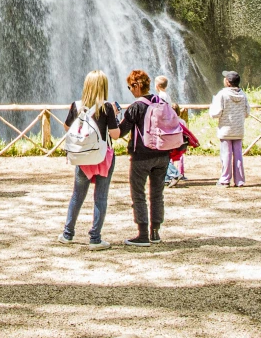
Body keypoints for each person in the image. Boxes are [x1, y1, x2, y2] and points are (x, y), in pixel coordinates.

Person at [58, 70, 120, 250]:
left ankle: (67, 234)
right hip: (102, 157)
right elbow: (115, 135)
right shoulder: (107, 107)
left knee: (77, 196)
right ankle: (95, 239)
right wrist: (115, 116)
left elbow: (67, 127)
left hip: (83, 157)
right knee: (100, 197)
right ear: (104, 86)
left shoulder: (76, 105)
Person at [118, 69, 175, 246]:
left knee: (139, 194)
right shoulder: (162, 102)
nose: (130, 90)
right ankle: (155, 233)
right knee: (157, 195)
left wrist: (112, 116)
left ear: (137, 86)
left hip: (141, 157)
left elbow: (121, 132)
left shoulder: (136, 107)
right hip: (163, 155)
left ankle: (142, 234)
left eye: (130, 87)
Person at [210, 71, 250, 187]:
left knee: (226, 155)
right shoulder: (243, 94)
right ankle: (239, 180)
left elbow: (216, 113)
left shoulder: (222, 94)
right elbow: (247, 112)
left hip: (225, 130)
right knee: (238, 155)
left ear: (227, 82)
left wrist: (211, 108)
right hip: (238, 129)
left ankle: (225, 179)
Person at [155, 75, 185, 186]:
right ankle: (167, 177)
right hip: (167, 126)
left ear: (157, 85)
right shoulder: (166, 95)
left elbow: (161, 111)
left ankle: (174, 173)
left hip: (163, 127)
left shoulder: (161, 96)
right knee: (162, 153)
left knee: (160, 154)